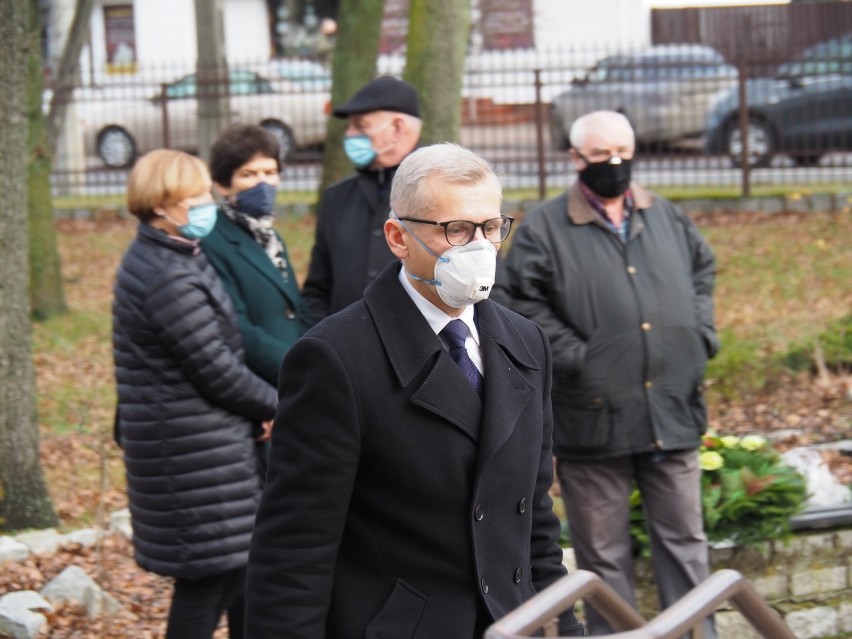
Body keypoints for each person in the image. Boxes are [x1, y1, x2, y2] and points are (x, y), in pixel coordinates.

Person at [245, 143, 585, 638]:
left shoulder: (525, 343)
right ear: (398, 238)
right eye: (455, 230)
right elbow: (295, 549)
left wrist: (562, 627)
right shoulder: (336, 357)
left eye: (490, 228)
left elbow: (532, 519)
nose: (478, 247)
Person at [497, 110, 719, 637]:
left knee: (686, 545)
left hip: (671, 409)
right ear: (575, 159)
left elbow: (702, 271)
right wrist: (577, 356)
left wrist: (700, 334)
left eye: (624, 150)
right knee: (603, 559)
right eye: (601, 155)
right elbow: (516, 303)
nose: (615, 163)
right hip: (593, 418)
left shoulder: (664, 215)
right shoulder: (545, 229)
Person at [112, 149, 277, 639]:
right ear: (162, 204)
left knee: (243, 574)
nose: (208, 202)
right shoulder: (166, 275)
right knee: (209, 584)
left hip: (203, 447)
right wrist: (276, 405)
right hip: (189, 454)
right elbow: (217, 370)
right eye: (197, 196)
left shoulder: (176, 253)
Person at [301, 75, 422, 321]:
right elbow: (317, 288)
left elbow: (485, 287)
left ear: (398, 128)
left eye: (361, 125)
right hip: (345, 351)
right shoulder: (337, 198)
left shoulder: (445, 194)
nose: (350, 134)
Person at [202, 124, 314, 389]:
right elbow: (236, 327)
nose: (262, 183)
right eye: (248, 174)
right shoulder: (212, 240)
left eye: (270, 172)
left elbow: (297, 309)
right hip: (258, 382)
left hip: (295, 378)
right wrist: (296, 371)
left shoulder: (270, 237)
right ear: (222, 184)